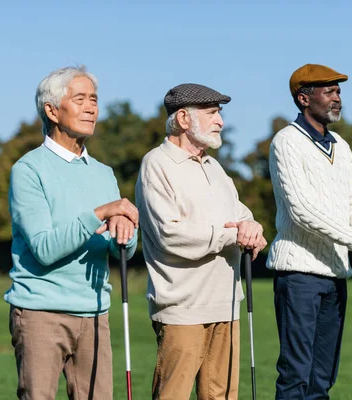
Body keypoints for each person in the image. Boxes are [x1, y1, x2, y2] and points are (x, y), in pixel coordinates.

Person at [4, 66, 138, 400]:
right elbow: (44, 248)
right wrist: (101, 213)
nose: (92, 108)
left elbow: (124, 249)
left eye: (94, 99)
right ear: (51, 110)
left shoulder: (104, 174)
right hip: (40, 314)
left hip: (94, 313)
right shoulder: (28, 170)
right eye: (80, 99)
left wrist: (126, 231)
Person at [267, 64, 352, 399]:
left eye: (338, 92)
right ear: (304, 98)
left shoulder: (341, 144)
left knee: (322, 377)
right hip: (298, 274)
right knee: (296, 376)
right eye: (329, 91)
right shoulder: (287, 142)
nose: (337, 98)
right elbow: (303, 211)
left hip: (335, 272)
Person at [136, 83, 267, 399]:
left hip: (226, 305)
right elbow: (171, 234)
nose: (220, 121)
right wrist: (231, 234)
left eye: (219, 113)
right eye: (212, 113)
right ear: (183, 118)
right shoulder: (156, 164)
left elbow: (242, 215)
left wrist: (253, 228)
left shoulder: (216, 168)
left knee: (222, 395)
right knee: (173, 395)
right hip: (183, 308)